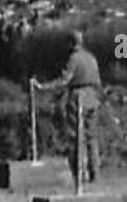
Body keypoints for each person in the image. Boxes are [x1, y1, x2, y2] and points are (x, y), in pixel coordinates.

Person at [40, 30, 102, 186]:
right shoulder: (92, 58)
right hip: (93, 97)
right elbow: (98, 81)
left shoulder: (73, 59)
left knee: (75, 137)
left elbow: (64, 80)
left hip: (78, 97)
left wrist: (45, 87)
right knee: (91, 138)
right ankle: (95, 174)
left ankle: (78, 174)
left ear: (71, 43)